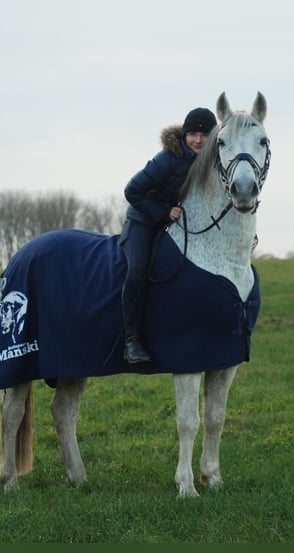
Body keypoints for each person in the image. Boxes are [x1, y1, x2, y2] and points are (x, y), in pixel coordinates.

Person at [119, 106, 218, 363]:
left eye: (205, 134)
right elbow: (132, 191)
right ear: (184, 135)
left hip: (178, 226)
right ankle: (130, 341)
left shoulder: (213, 162)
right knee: (138, 270)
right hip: (143, 222)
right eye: (193, 134)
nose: (198, 140)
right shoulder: (168, 158)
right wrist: (163, 212)